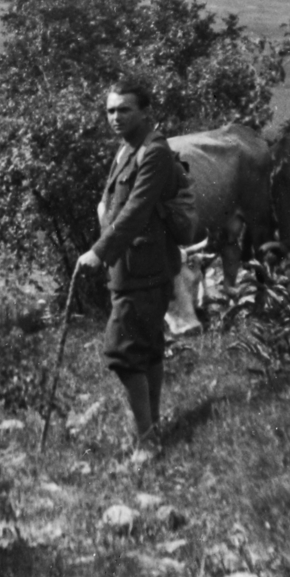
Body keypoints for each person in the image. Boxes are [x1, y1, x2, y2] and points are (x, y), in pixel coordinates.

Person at [75, 78, 196, 448]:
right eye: (110, 110)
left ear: (145, 112)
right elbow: (113, 207)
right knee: (147, 348)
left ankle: (146, 441)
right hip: (132, 266)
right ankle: (154, 428)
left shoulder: (154, 152)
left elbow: (137, 209)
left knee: (122, 353)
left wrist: (99, 251)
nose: (115, 117)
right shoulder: (127, 149)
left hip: (144, 267)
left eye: (124, 109)